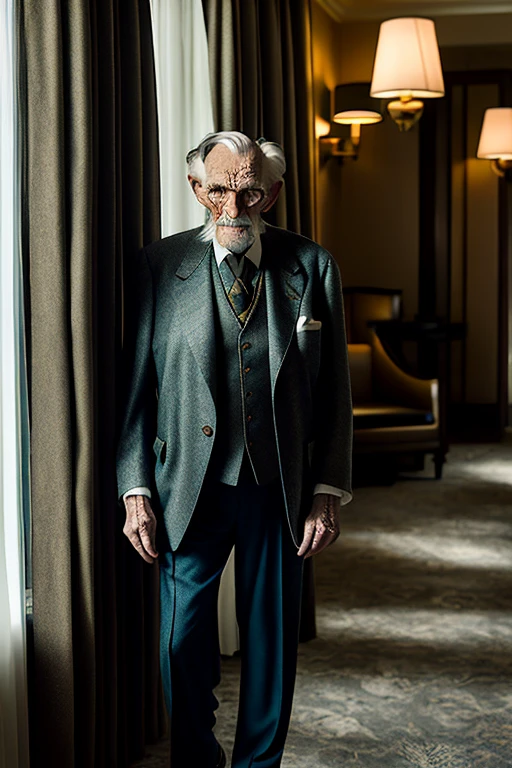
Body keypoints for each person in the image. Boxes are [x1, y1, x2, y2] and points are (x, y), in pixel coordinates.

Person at [116, 131, 353, 768]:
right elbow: (138, 388)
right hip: (186, 485)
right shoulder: (159, 268)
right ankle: (196, 757)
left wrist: (327, 491)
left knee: (272, 640)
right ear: (197, 190)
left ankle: (258, 765)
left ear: (270, 193)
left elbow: (334, 392)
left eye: (248, 191)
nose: (232, 205)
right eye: (218, 189)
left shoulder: (312, 265)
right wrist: (135, 489)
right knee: (181, 639)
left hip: (279, 485)